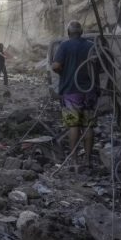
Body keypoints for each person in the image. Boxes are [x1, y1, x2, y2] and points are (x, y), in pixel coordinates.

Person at [51, 21, 99, 168]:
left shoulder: (64, 46)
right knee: (88, 125)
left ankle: (74, 160)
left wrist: (63, 73)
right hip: (89, 91)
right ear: (81, 32)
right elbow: (100, 65)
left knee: (73, 125)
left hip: (71, 91)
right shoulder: (91, 45)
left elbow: (56, 66)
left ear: (68, 33)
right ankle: (88, 160)